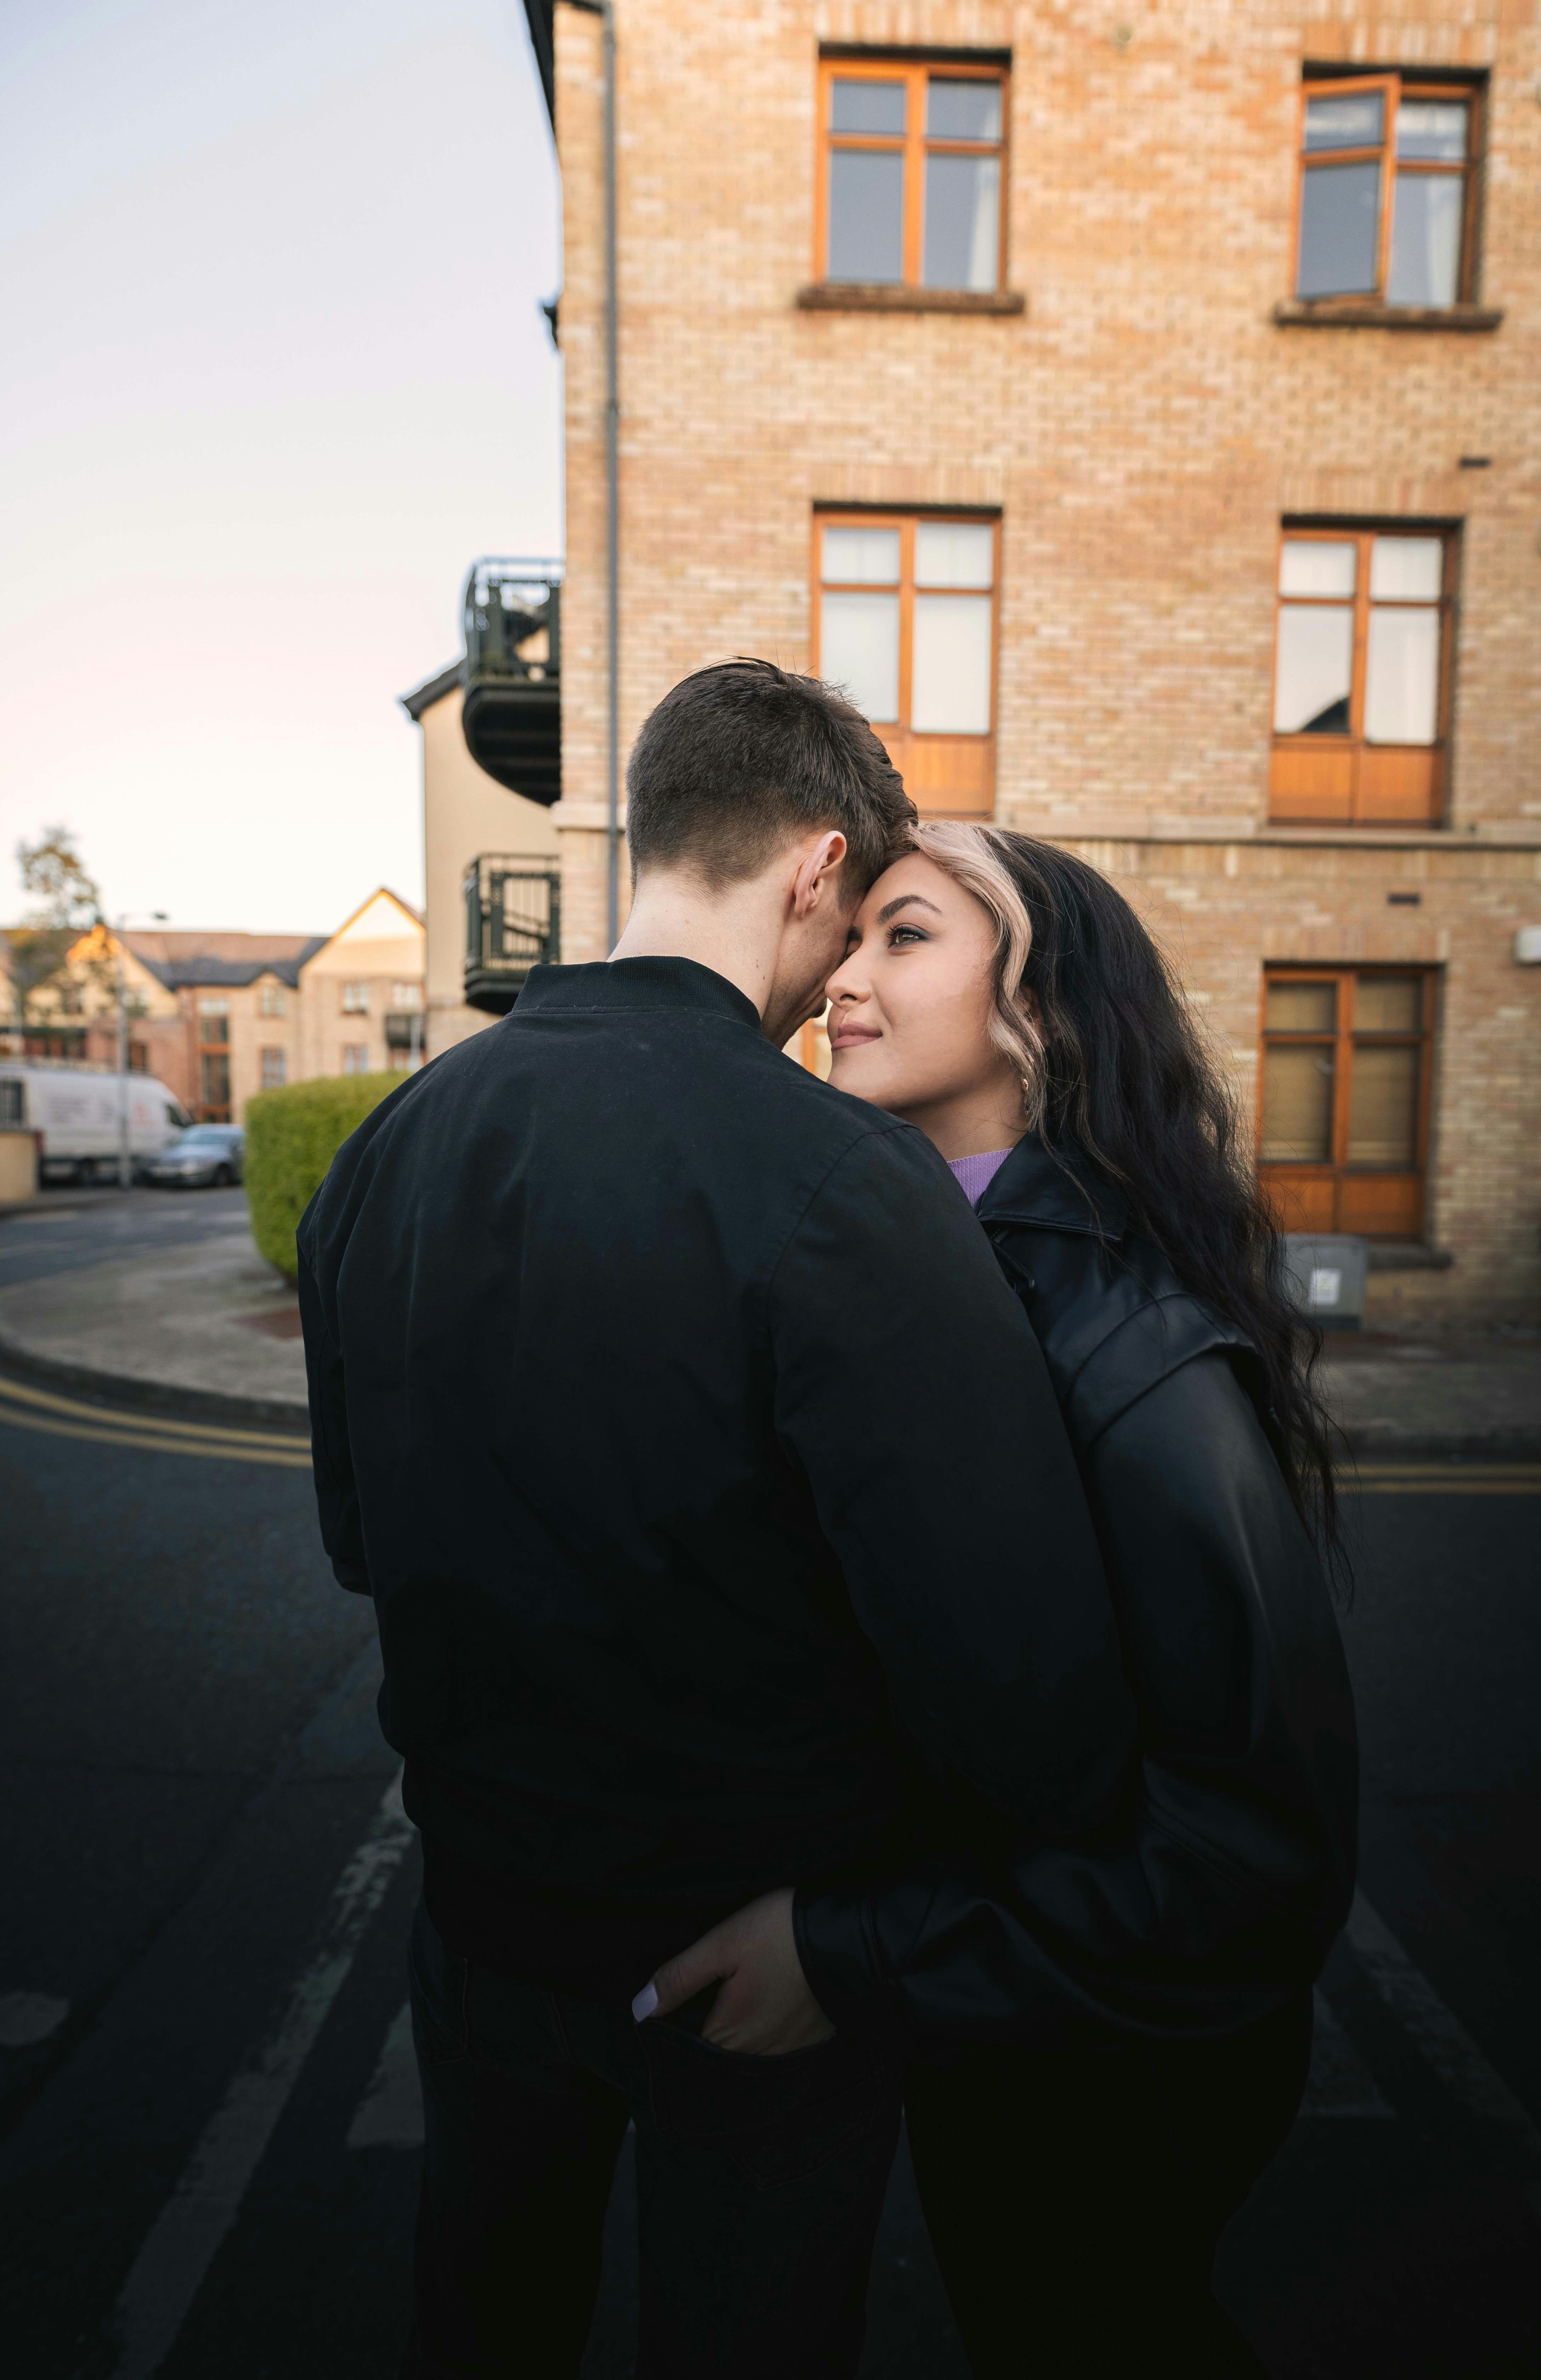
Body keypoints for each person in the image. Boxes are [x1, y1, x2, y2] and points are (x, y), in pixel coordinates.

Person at [298, 664, 1136, 2380]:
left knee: (482, 2316)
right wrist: (877, 1938)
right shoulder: (843, 1181)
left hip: (484, 1928)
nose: (842, 982)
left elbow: (363, 1545)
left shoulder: (385, 1150)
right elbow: (1013, 1667)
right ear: (816, 870)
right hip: (756, 1970)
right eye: (858, 926)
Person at [776, 818, 1356, 2375]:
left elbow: (1251, 1844)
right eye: (850, 937)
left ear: (1035, 1010)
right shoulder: (937, 1266)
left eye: (903, 936)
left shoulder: (1125, 1340)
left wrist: (849, 1956)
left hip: (1115, 2052)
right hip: (1006, 2000)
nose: (841, 976)